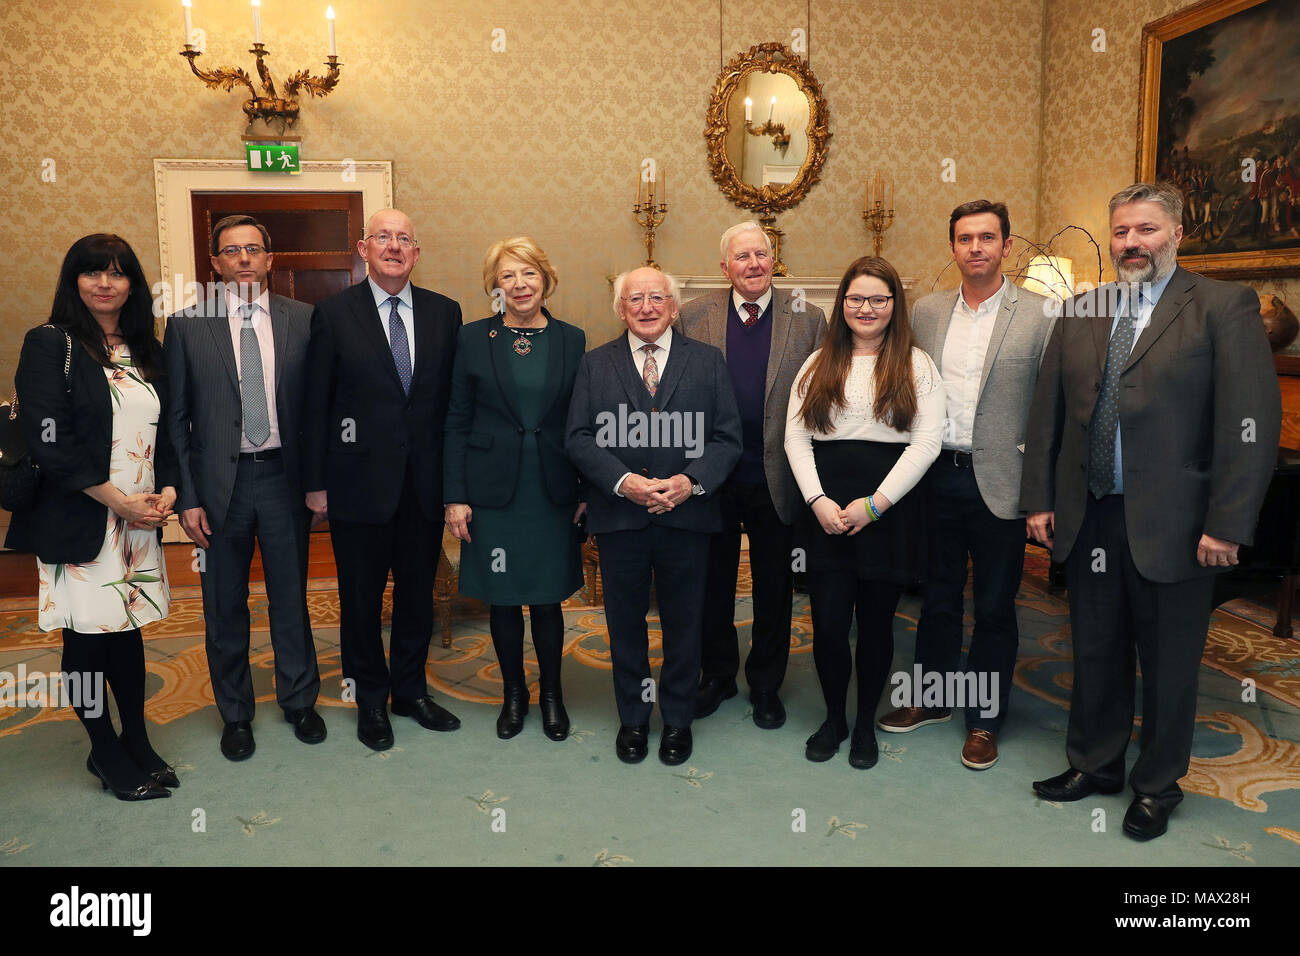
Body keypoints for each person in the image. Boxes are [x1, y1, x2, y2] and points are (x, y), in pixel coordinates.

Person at [1021, 181, 1281, 839]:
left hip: (1180, 524)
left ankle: (1157, 786)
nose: (1131, 243)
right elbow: (1048, 416)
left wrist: (1228, 522)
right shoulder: (1081, 310)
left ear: (1177, 235)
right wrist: (1040, 501)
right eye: (1121, 232)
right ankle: (1094, 764)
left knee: (1169, 664)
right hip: (1090, 515)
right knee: (1096, 650)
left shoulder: (1222, 306)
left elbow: (1249, 421)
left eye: (1146, 230)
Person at [877, 201, 1053, 770]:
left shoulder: (1043, 314)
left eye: (987, 237)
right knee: (937, 596)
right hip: (936, 476)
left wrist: (1041, 493)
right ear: (951, 248)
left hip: (1003, 481)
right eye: (964, 238)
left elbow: (1052, 408)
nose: (975, 247)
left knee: (997, 605)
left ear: (1006, 245)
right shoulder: (925, 312)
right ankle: (932, 699)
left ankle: (983, 720)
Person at [5, 234, 178, 800]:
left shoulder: (145, 348)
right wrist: (118, 501)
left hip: (140, 522)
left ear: (132, 283)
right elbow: (49, 441)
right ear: (72, 280)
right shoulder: (51, 343)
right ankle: (103, 750)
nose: (105, 283)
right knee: (86, 640)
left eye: (118, 272)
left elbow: (167, 430)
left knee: (126, 634)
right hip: (84, 519)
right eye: (92, 272)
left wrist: (167, 491)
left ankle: (138, 739)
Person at [565, 267, 742, 766]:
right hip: (621, 517)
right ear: (620, 308)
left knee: (685, 625)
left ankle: (679, 720)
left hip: (688, 517)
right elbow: (578, 437)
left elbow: (728, 438)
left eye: (657, 297)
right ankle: (635, 719)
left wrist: (688, 483)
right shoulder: (595, 365)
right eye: (635, 298)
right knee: (625, 627)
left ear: (674, 306)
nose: (646, 307)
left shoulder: (707, 362)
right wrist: (625, 483)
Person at [164, 215, 323, 762]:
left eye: (254, 249)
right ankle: (236, 713)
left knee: (290, 599)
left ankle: (300, 700)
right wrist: (186, 498)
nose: (244, 259)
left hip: (284, 480)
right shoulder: (186, 326)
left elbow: (320, 411)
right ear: (214, 263)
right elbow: (176, 420)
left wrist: (319, 483)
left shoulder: (304, 319)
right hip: (217, 490)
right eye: (232, 251)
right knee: (223, 605)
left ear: (270, 259)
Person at [302, 209, 463, 751]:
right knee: (362, 600)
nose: (393, 246)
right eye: (382, 237)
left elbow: (449, 406)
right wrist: (316, 482)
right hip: (356, 486)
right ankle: (370, 698)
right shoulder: (332, 313)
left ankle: (410, 692)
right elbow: (316, 404)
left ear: (416, 253)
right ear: (363, 249)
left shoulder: (446, 313)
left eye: (404, 239)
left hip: (422, 486)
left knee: (416, 596)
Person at [785, 256, 944, 768]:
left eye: (878, 298)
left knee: (876, 627)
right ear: (842, 305)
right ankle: (833, 717)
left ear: (894, 305)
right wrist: (817, 501)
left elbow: (926, 443)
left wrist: (875, 505)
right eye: (856, 298)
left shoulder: (917, 364)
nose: (866, 308)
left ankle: (863, 729)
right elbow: (795, 436)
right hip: (827, 510)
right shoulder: (817, 363)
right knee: (829, 625)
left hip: (886, 510)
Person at [677, 221, 825, 729]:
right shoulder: (693, 317)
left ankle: (766, 682)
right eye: (742, 257)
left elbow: (825, 398)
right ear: (725, 268)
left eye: (761, 254)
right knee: (711, 582)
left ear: (773, 259)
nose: (754, 264)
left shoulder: (809, 319)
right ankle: (717, 675)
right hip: (710, 475)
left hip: (777, 474)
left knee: (774, 585)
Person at [443, 237, 586, 741]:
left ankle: (551, 694)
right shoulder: (471, 338)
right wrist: (455, 495)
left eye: (529, 274)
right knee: (502, 599)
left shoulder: (573, 339)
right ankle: (513, 693)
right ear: (494, 285)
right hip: (492, 492)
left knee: (547, 599)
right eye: (508, 276)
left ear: (545, 280)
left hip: (552, 489)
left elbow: (581, 421)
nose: (520, 284)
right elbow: (456, 418)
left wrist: (587, 488)